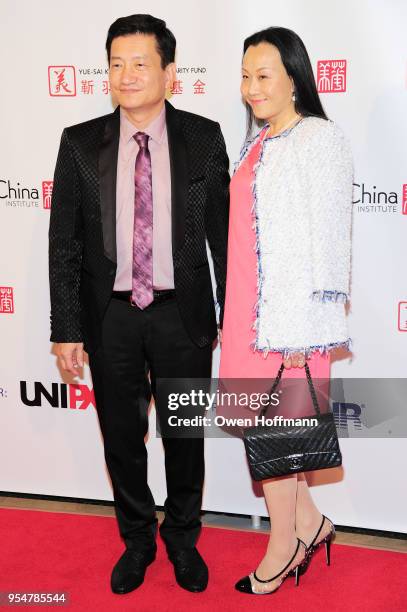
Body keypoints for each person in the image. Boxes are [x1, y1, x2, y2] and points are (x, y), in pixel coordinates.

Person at [48, 14, 229, 595]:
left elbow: (222, 239)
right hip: (112, 316)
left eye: (140, 63)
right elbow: (66, 243)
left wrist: (237, 313)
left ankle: (181, 538)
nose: (126, 76)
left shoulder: (204, 137)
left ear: (170, 73)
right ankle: (138, 541)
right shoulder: (80, 142)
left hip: (183, 313)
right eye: (116, 64)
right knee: (122, 439)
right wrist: (66, 327)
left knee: (184, 437)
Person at [219, 26, 353, 595]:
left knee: (275, 435)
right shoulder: (260, 140)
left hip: (288, 324)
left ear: (295, 78)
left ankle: (284, 545)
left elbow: (331, 243)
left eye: (264, 74)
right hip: (249, 314)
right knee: (273, 433)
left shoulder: (317, 138)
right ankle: (310, 523)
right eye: (246, 75)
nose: (251, 87)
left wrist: (306, 330)